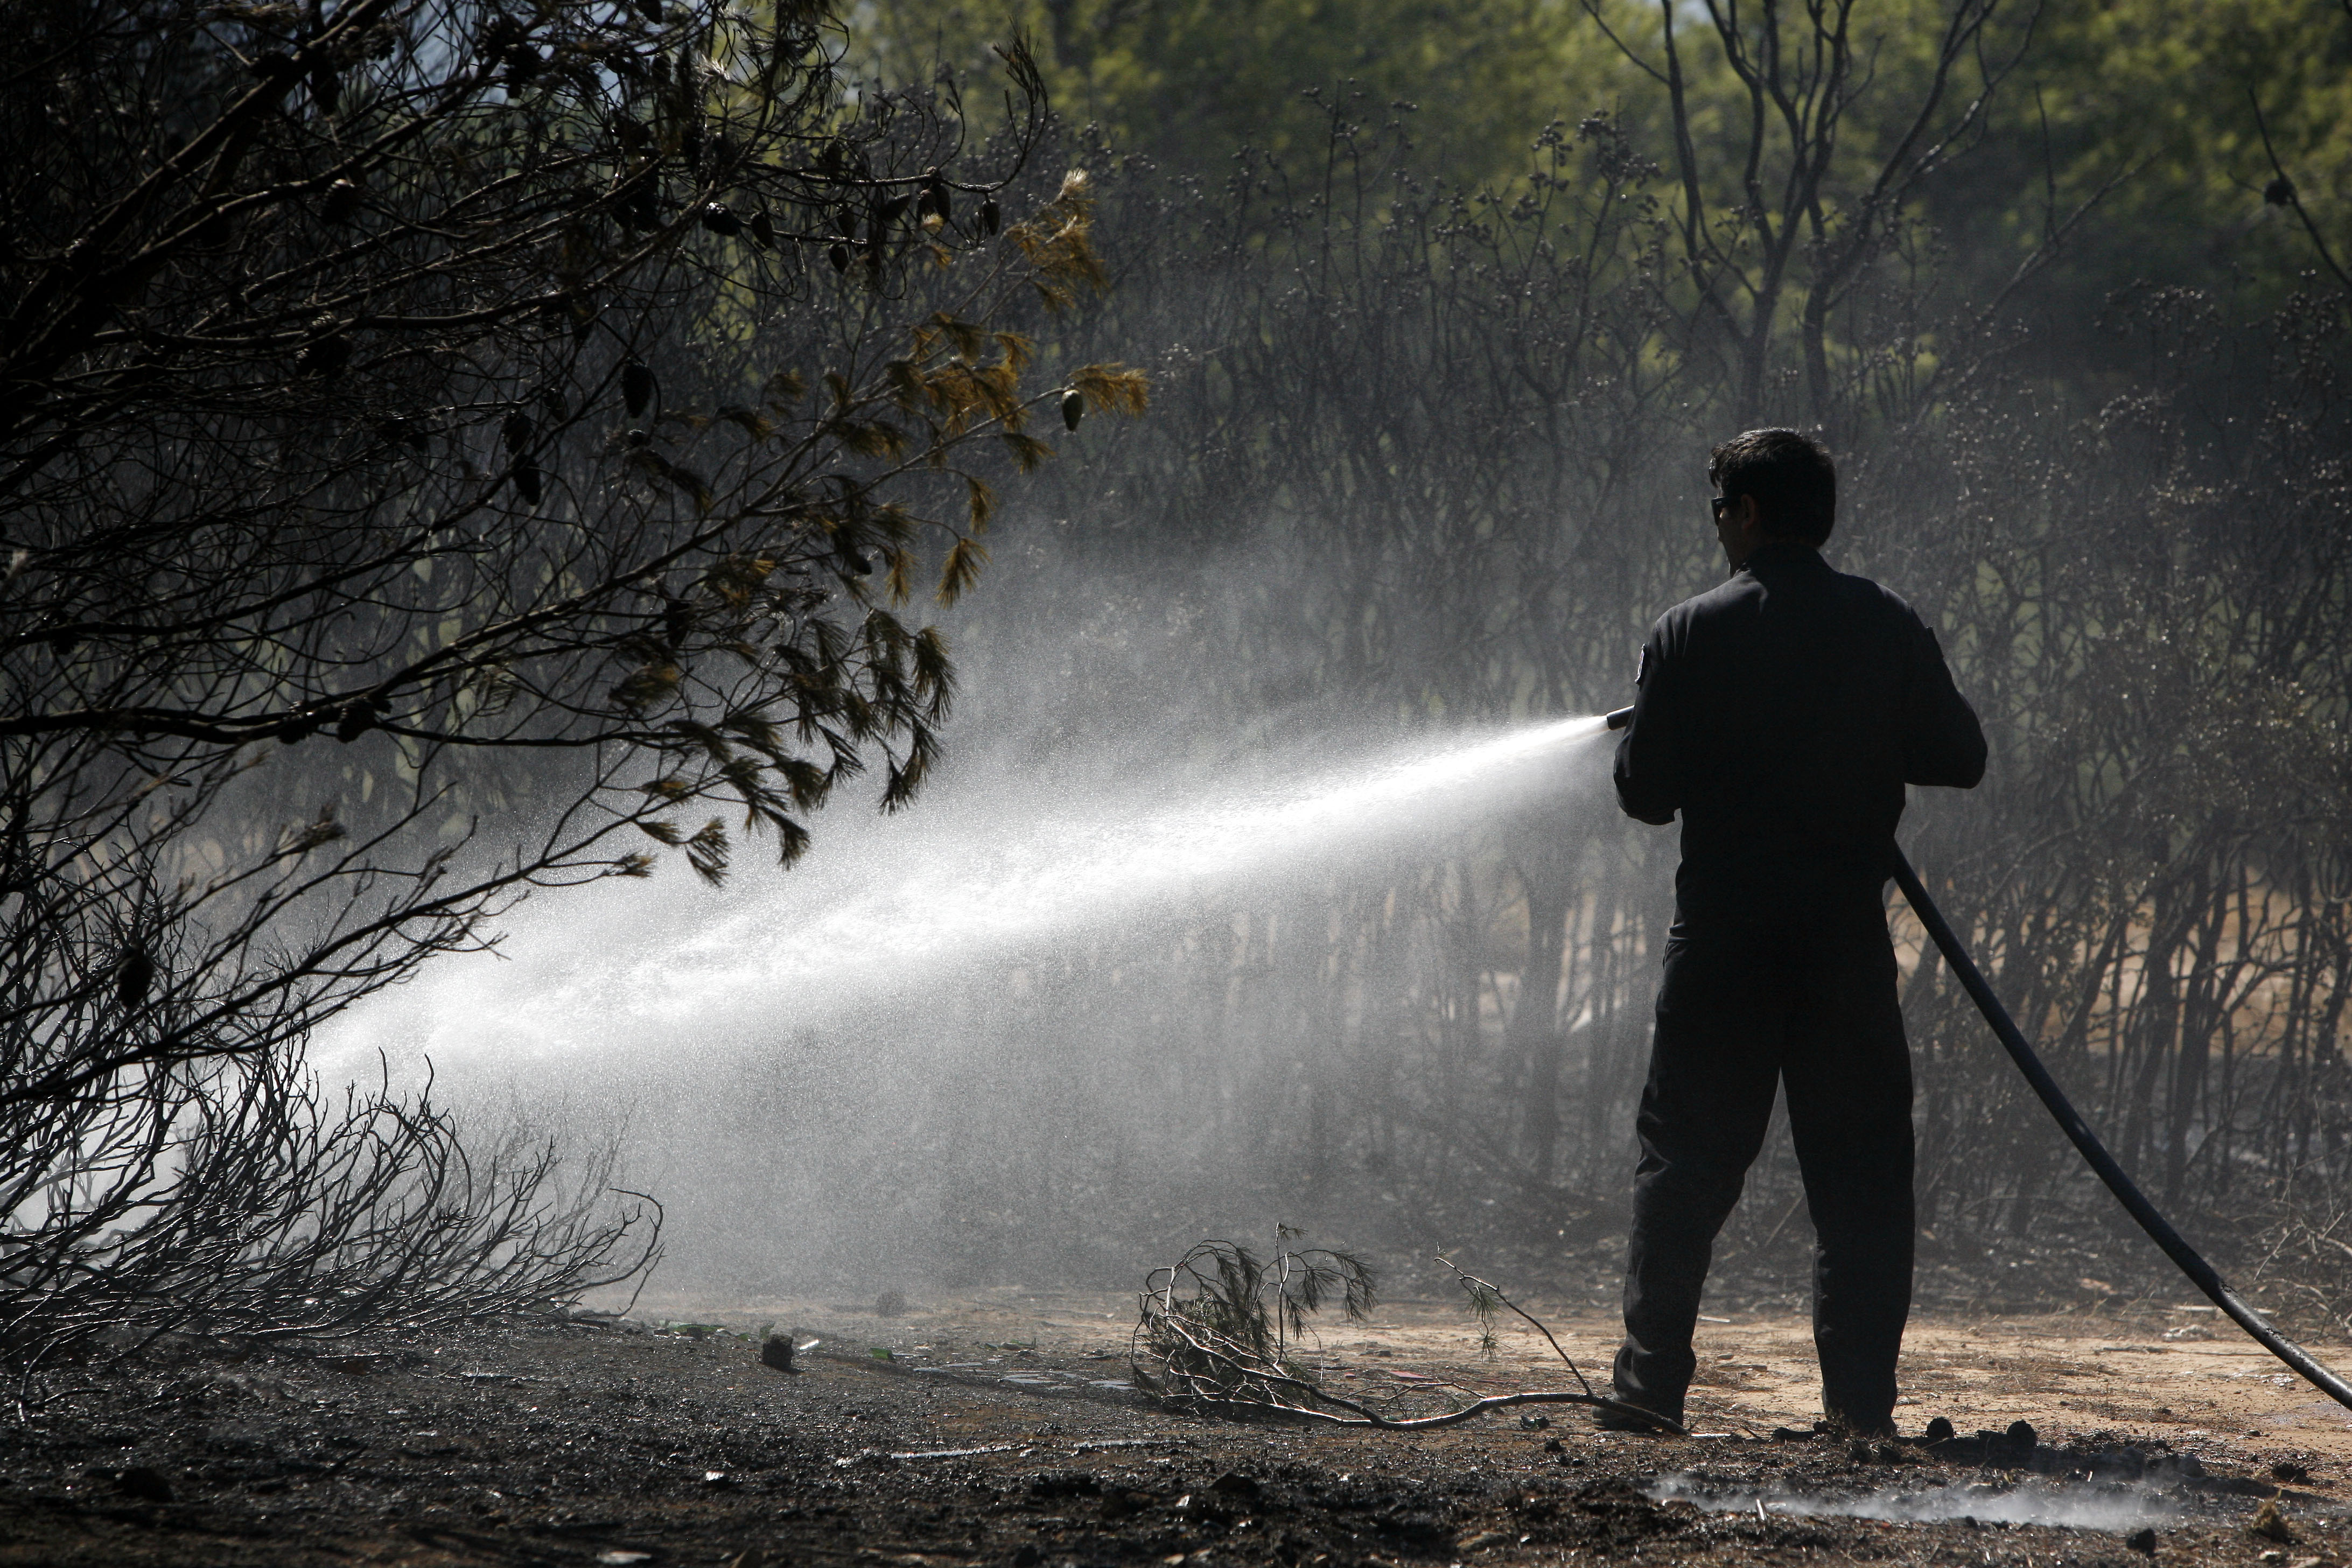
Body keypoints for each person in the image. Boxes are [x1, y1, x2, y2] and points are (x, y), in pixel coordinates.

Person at [1606, 428, 1987, 1437]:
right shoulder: (1885, 622)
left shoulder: (1686, 631)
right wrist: (1861, 731)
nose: (1718, 525)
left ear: (1750, 515)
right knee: (1861, 1179)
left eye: (1720, 507)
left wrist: (1663, 711)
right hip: (1840, 954)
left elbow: (1645, 793)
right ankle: (1860, 1414)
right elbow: (1961, 755)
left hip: (1722, 951)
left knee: (1684, 1167)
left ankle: (1648, 1396)